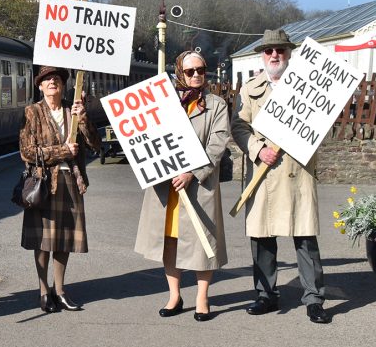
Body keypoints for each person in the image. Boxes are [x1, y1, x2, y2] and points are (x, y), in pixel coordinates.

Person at [231, 29, 330, 324]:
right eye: (269, 50)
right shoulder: (250, 88)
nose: (275, 55)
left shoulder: (308, 87)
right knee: (261, 237)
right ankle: (266, 295)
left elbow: (321, 123)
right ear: (262, 55)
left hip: (296, 172)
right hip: (263, 174)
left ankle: (314, 299)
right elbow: (239, 126)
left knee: (305, 237)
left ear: (289, 53)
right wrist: (258, 150)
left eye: (280, 50)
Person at [134, 51, 230, 322]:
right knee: (171, 242)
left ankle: (202, 298)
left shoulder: (216, 104)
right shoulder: (163, 102)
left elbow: (217, 143)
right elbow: (144, 135)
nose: (197, 75)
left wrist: (193, 172)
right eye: (190, 71)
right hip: (167, 186)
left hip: (199, 185)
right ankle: (174, 295)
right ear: (179, 72)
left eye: (201, 69)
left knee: (202, 241)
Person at [20, 66, 101, 313]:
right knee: (43, 240)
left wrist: (84, 118)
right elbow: (27, 152)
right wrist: (64, 151)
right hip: (44, 183)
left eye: (57, 78)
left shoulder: (72, 111)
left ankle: (60, 289)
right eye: (47, 79)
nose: (52, 82)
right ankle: (44, 290)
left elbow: (95, 144)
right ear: (40, 86)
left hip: (71, 181)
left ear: (64, 85)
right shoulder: (32, 112)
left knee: (63, 240)